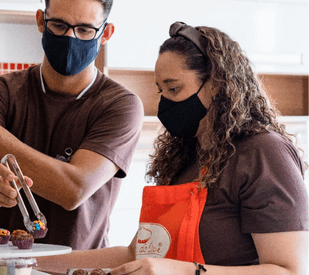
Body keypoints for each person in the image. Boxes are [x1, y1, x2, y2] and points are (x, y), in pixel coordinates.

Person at [36, 22, 309, 274]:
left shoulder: (264, 153)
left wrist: (183, 271)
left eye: (174, 89)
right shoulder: (184, 157)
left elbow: (286, 270)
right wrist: (28, 263)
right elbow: (134, 254)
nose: (164, 103)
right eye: (160, 91)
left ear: (215, 84)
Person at [0, 0, 144, 249]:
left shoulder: (120, 105)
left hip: (81, 266)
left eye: (85, 30)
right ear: (41, 21)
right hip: (7, 266)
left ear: (105, 33)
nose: (70, 38)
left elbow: (74, 189)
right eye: (59, 25)